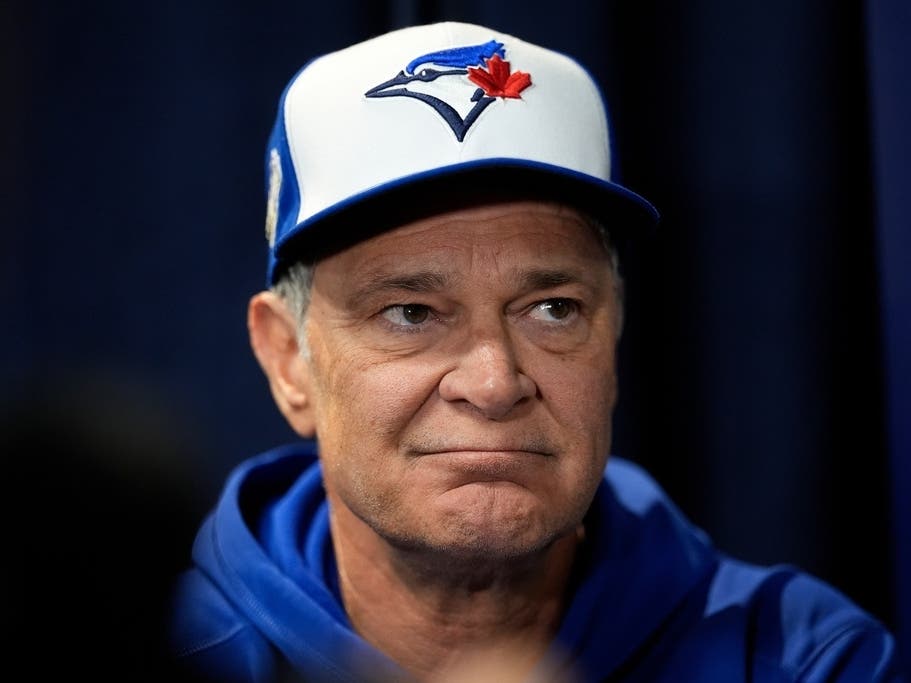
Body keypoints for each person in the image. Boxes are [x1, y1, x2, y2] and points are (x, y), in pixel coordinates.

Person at [168, 21, 904, 683]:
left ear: (611, 337)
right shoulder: (144, 649)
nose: (493, 382)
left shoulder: (808, 659)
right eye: (410, 312)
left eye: (552, 309)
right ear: (288, 360)